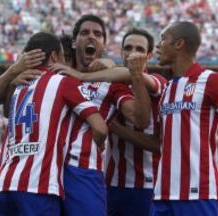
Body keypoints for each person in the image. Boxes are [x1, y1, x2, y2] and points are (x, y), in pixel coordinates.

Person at [0, 32, 108, 216]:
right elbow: (100, 127)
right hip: (39, 186)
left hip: (5, 184)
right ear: (54, 57)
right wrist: (99, 144)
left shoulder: (18, 85)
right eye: (62, 57)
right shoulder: (63, 82)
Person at [51, 27, 167, 216]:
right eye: (128, 48)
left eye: (139, 49)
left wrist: (114, 127)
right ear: (121, 51)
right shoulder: (112, 85)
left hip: (147, 183)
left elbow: (154, 137)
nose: (132, 53)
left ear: (149, 55)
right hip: (112, 183)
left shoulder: (158, 82)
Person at [150, 21, 218, 216]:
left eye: (163, 39)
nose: (158, 45)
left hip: (199, 193)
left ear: (179, 44)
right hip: (162, 194)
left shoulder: (211, 80)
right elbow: (160, 143)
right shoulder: (167, 89)